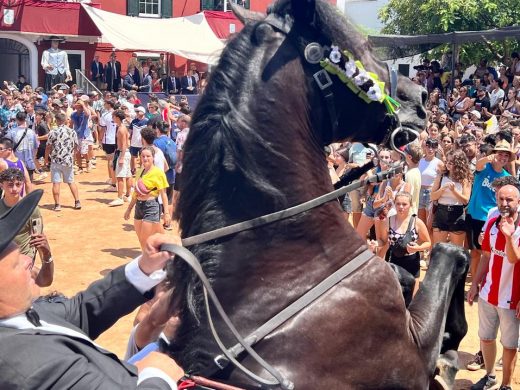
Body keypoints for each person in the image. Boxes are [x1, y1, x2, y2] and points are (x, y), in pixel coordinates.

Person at [0, 190, 185, 389]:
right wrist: (158, 375)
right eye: (17, 262)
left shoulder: (17, 312)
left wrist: (144, 267)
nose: (29, 260)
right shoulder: (29, 366)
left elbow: (81, 310)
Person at [467, 184, 520, 390]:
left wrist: (508, 236)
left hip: (511, 298)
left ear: (518, 202)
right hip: (488, 294)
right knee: (486, 338)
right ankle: (489, 376)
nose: (504, 204)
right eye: (501, 199)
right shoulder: (491, 224)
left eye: (510, 200)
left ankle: (506, 385)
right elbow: (486, 257)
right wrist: (474, 285)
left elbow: (515, 259)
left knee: (509, 345)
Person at [466, 140, 512, 279]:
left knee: (488, 253)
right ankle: (475, 283)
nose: (502, 158)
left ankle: (484, 282)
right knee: (474, 252)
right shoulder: (485, 167)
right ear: (494, 154)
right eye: (500, 154)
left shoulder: (506, 177)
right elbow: (478, 165)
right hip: (474, 215)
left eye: (506, 155)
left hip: (492, 219)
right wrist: (488, 158)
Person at [0, 169, 53, 287]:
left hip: (24, 259)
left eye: (18, 184)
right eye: (10, 185)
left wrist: (45, 261)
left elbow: (38, 237)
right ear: (1, 185)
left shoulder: (31, 209)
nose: (14, 189)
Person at [377, 192, 431, 291]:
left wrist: (417, 248)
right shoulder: (387, 221)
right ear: (394, 204)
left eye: (404, 204)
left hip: (412, 262)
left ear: (410, 205)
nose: (401, 207)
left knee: (412, 298)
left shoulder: (417, 222)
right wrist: (377, 244)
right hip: (393, 261)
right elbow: (383, 241)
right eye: (398, 204)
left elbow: (428, 243)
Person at [124, 146, 170, 249]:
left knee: (146, 239)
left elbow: (164, 194)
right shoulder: (139, 172)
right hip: (138, 207)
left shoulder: (158, 173)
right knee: (141, 239)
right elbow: (136, 193)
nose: (145, 158)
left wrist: (166, 213)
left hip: (151, 206)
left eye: (148, 156)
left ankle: (151, 260)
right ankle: (163, 250)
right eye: (143, 156)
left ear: (153, 157)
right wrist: (129, 209)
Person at [430, 149, 471, 246]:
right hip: (441, 211)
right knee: (439, 248)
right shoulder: (441, 176)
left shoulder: (465, 179)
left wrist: (454, 191)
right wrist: (442, 189)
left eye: (451, 162)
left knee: (456, 250)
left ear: (458, 163)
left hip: (457, 213)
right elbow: (432, 196)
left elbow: (465, 200)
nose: (448, 164)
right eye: (447, 161)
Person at [45, 112, 81, 211]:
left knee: (56, 183)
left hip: (56, 160)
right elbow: (76, 146)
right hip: (68, 160)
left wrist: (45, 159)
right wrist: (72, 157)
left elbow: (48, 146)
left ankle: (57, 205)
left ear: (56, 120)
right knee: (71, 181)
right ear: (65, 120)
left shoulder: (53, 132)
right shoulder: (72, 132)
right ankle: (77, 201)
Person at [6, 111, 39, 182]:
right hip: (29, 162)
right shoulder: (32, 132)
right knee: (29, 183)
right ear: (25, 119)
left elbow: (6, 148)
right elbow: (36, 148)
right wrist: (33, 158)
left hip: (16, 163)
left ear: (17, 119)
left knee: (17, 185)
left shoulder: (12, 132)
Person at [418, 138, 442, 229]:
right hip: (420, 191)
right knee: (420, 222)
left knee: (429, 224)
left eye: (433, 147)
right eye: (428, 147)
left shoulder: (438, 163)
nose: (430, 149)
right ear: (425, 147)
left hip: (431, 192)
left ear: (436, 149)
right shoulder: (420, 160)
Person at [110, 109, 132, 207]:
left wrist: (121, 157)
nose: (112, 118)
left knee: (120, 176)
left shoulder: (121, 129)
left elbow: (123, 144)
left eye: (113, 116)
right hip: (125, 153)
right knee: (128, 175)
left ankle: (120, 197)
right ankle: (127, 195)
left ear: (117, 118)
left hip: (123, 153)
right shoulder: (122, 127)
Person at [99, 99, 117, 191]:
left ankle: (112, 181)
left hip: (109, 140)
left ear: (109, 104)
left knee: (110, 160)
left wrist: (99, 140)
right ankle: (113, 179)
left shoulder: (105, 115)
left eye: (105, 103)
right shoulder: (118, 113)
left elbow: (102, 129)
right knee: (115, 160)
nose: (104, 105)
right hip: (117, 140)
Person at [403, 143, 422, 215]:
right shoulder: (416, 171)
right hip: (412, 211)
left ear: (409, 157)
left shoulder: (409, 174)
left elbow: (406, 197)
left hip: (408, 213)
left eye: (404, 153)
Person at [129, 107, 149, 175]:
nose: (137, 113)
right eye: (136, 112)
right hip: (134, 143)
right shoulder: (133, 121)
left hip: (143, 144)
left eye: (138, 111)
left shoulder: (147, 121)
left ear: (143, 112)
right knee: (133, 157)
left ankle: (141, 172)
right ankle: (133, 171)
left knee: (142, 158)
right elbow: (130, 131)